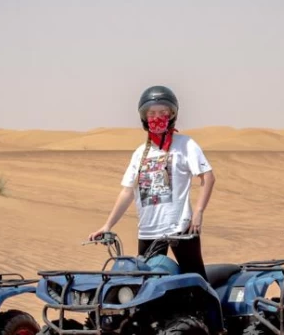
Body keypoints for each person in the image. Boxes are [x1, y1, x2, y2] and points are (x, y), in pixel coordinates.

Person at [88, 86, 215, 278]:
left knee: (196, 283)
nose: (157, 117)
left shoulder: (186, 144)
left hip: (181, 230)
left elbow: (208, 177)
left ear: (172, 114)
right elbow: (127, 192)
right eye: (152, 113)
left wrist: (198, 213)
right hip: (148, 231)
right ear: (144, 116)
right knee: (146, 287)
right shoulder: (140, 153)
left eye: (163, 112)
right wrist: (108, 225)